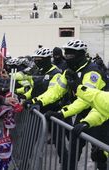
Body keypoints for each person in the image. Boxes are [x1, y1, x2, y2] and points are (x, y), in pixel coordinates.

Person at [45, 39, 108, 170]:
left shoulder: (92, 71)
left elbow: (86, 100)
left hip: (101, 114)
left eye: (70, 55)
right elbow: (55, 90)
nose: (67, 58)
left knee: (100, 153)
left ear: (80, 55)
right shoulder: (69, 70)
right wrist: (38, 101)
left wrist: (62, 113)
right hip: (83, 114)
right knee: (74, 148)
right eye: (66, 54)